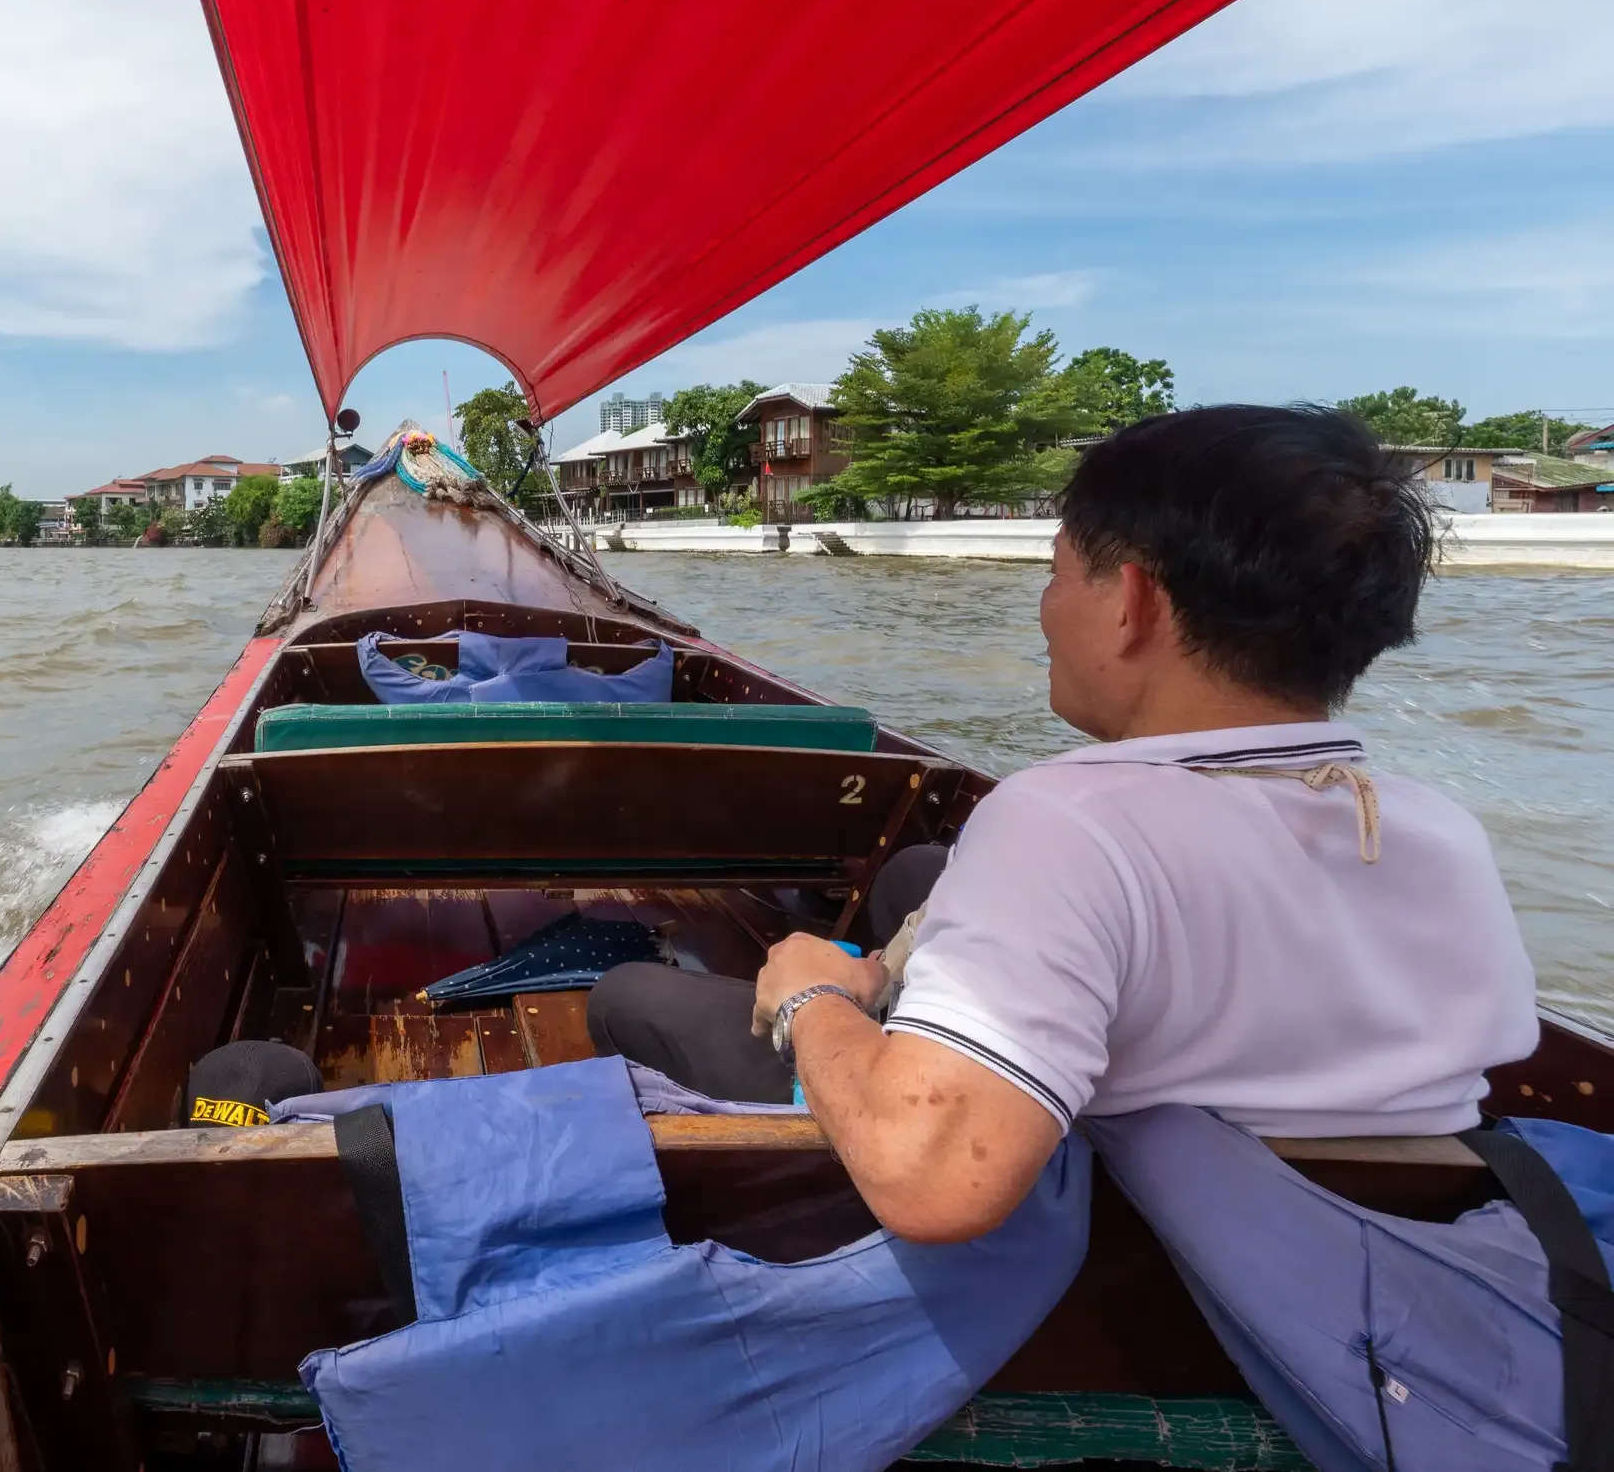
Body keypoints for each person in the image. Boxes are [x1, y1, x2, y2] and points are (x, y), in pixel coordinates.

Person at [590, 404, 1539, 1241]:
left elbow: (933, 1183)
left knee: (631, 993)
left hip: (1134, 1264)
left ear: (1131, 603)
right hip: (1355, 1233)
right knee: (920, 871)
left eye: (1058, 574)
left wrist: (813, 1000)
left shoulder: (1065, 824)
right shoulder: (1440, 827)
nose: (1045, 610)